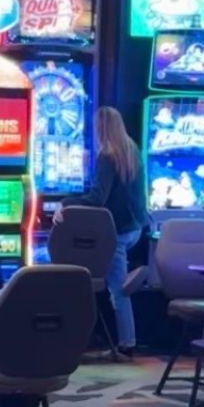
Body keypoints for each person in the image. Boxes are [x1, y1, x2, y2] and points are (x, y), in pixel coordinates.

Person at [65, 105, 148, 357]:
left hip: (117, 231)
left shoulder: (107, 155)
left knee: (118, 289)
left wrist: (65, 203)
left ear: (101, 129)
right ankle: (108, 339)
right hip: (134, 228)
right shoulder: (131, 150)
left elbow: (97, 198)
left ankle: (126, 345)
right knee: (113, 285)